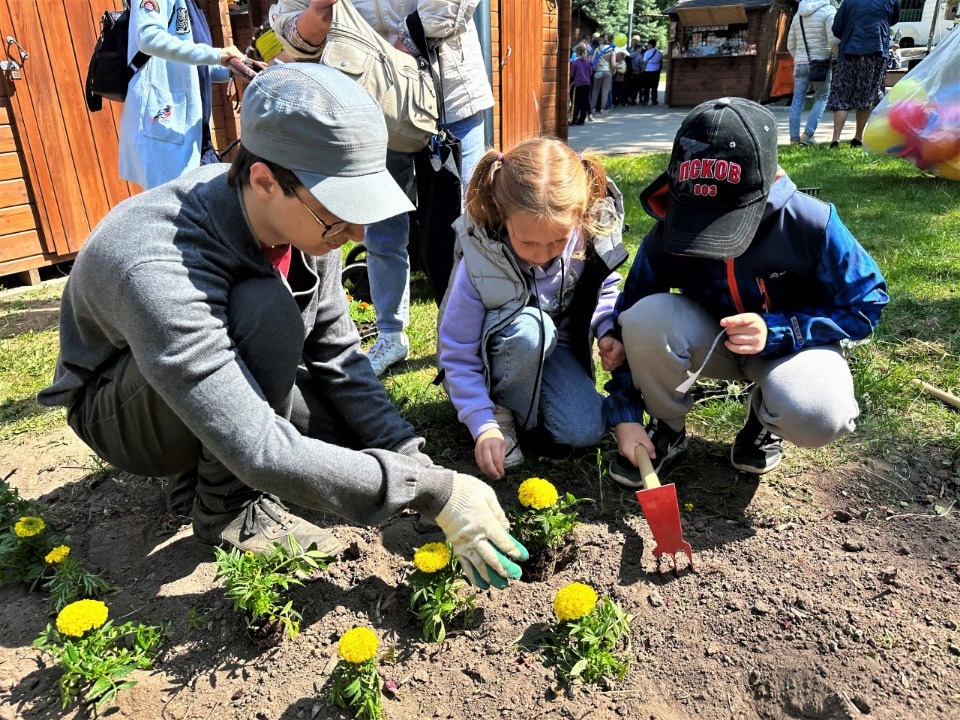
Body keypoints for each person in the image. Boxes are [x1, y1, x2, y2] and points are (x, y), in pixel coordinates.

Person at [38, 64, 527, 590]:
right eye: (341, 213)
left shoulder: (308, 224)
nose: (358, 232)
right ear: (265, 180)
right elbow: (259, 449)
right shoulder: (155, 263)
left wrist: (412, 459)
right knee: (265, 313)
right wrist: (432, 492)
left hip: (192, 379)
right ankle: (227, 508)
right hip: (124, 410)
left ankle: (199, 481)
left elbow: (340, 359)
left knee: (343, 442)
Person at [602, 97, 888, 490]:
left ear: (770, 179)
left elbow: (867, 302)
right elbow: (626, 321)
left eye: (728, 222)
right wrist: (625, 412)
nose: (713, 238)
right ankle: (667, 424)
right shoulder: (667, 229)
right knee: (643, 320)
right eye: (698, 221)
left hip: (791, 349)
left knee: (821, 414)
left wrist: (779, 330)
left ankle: (765, 417)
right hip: (711, 344)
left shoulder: (810, 224)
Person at [271, 0, 494, 376]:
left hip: (448, 97)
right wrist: (318, 13)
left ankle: (465, 336)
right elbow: (290, 27)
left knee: (463, 226)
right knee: (380, 225)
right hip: (370, 103)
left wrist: (395, 53)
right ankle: (391, 333)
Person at [437, 139, 627, 481]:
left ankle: (532, 403)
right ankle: (500, 411)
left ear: (580, 215)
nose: (541, 255)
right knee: (533, 328)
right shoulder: (479, 260)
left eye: (557, 241)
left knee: (583, 431)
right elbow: (457, 351)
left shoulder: (590, 240)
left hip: (557, 350)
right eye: (527, 242)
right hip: (498, 356)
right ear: (500, 211)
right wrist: (482, 423)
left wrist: (606, 328)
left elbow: (607, 290)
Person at [120, 0, 247, 189]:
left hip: (193, 135)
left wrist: (233, 70)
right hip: (164, 129)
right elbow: (148, 37)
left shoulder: (192, 5)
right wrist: (217, 55)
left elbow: (193, 65)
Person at [827, 0, 901, 148]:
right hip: (876, 51)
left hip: (850, 50)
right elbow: (893, 20)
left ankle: (836, 138)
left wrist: (851, 31)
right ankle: (858, 137)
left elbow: (836, 27)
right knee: (868, 94)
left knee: (842, 94)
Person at [787, 0, 838, 145]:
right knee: (821, 97)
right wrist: (837, 57)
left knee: (797, 100)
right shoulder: (829, 11)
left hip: (800, 63)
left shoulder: (798, 14)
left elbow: (790, 44)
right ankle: (807, 136)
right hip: (821, 63)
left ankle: (794, 139)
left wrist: (800, 58)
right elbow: (833, 41)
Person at [590, 33, 616, 116]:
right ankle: (602, 109)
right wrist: (615, 68)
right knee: (605, 91)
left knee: (595, 90)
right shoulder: (612, 50)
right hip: (607, 72)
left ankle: (593, 108)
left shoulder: (598, 48)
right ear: (611, 40)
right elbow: (613, 64)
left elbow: (592, 60)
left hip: (598, 71)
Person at [570, 44, 593, 126]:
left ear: (578, 52)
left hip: (578, 85)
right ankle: (581, 120)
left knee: (576, 103)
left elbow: (572, 74)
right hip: (587, 84)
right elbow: (590, 73)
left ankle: (573, 119)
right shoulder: (588, 61)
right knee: (584, 103)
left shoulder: (575, 62)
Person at [639, 38, 663, 106]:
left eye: (648, 44)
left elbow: (644, 62)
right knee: (654, 87)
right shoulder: (659, 52)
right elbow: (661, 61)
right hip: (656, 70)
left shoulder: (647, 52)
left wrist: (642, 70)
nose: (647, 46)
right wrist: (659, 69)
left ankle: (646, 100)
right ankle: (654, 100)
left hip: (648, 71)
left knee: (646, 87)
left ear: (651, 45)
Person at [626, 35, 644, 106]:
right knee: (635, 87)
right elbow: (640, 64)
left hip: (630, 72)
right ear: (639, 48)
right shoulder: (639, 56)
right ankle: (633, 99)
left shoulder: (629, 53)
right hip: (636, 72)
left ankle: (629, 98)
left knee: (630, 86)